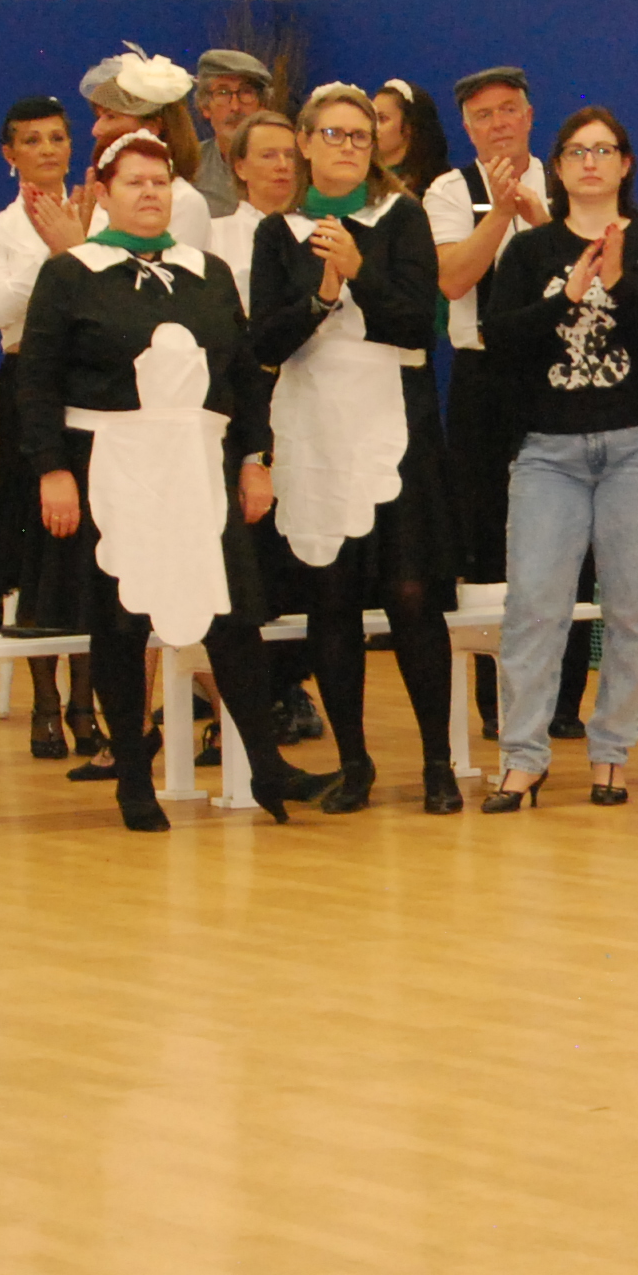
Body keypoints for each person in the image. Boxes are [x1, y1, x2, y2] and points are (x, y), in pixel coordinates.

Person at [11, 129, 314, 829]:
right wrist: (52, 470)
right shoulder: (72, 273)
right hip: (114, 467)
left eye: (159, 182)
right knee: (121, 622)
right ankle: (132, 779)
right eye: (133, 182)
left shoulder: (206, 271)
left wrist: (254, 458)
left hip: (197, 467)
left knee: (232, 617)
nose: (149, 194)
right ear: (104, 193)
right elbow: (37, 382)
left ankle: (266, 767)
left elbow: (243, 377)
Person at [250, 85, 462, 815]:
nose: (347, 147)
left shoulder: (401, 217)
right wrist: (321, 294)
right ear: (304, 143)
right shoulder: (276, 232)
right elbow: (266, 340)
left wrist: (360, 270)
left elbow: (418, 325)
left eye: (361, 136)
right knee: (331, 599)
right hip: (314, 429)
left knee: (410, 593)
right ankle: (354, 763)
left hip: (392, 426)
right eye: (333, 134)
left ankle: (437, 764)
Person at [478, 107, 638, 811]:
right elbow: (499, 340)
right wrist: (567, 297)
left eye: (604, 150)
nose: (591, 162)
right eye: (577, 151)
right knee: (534, 607)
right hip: (549, 452)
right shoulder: (530, 252)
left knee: (632, 609)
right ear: (559, 167)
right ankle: (522, 758)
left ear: (625, 164)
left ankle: (611, 754)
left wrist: (621, 282)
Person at [425, 66, 593, 739]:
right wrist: (499, 212)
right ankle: (499, 701)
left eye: (508, 110)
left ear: (529, 115)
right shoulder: (449, 190)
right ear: (467, 128)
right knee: (488, 532)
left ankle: (564, 700)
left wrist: (539, 217)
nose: (498, 124)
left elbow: (586, 267)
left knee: (570, 534)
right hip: (484, 377)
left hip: (562, 372)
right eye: (483, 115)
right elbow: (452, 278)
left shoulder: (567, 179)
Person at [0, 95, 102, 765]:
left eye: (57, 138)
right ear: (9, 154)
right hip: (28, 383)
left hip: (94, 384)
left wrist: (83, 240)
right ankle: (46, 704)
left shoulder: (102, 213)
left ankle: (87, 705)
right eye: (32, 140)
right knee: (39, 541)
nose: (47, 150)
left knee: (94, 545)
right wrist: (58, 253)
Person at [216, 107, 327, 749]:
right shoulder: (217, 238)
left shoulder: (320, 231)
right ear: (238, 166)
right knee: (257, 549)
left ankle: (290, 682)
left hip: (312, 400)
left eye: (290, 154)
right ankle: (252, 696)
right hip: (250, 397)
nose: (283, 166)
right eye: (267, 155)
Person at [80, 51, 212, 253]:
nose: (96, 130)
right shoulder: (108, 193)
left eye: (110, 117)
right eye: (99, 118)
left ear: (150, 128)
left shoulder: (184, 201)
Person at [185, 48, 280, 223]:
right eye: (222, 93)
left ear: (263, 105)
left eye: (246, 92)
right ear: (205, 107)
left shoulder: (288, 163)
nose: (235, 107)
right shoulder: (190, 165)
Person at [369, 79, 452, 198]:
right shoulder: (359, 180)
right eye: (371, 118)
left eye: (382, 119)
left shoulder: (437, 188)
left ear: (409, 126)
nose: (372, 127)